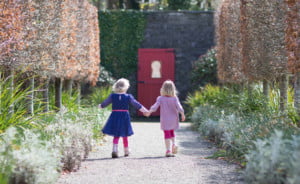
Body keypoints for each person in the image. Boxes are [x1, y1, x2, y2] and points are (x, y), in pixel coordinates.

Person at [99, 78, 148, 158]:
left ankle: (115, 149)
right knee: (125, 133)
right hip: (124, 115)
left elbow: (105, 103)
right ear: (126, 87)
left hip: (115, 115)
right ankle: (126, 150)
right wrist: (144, 110)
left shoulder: (112, 96)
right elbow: (136, 104)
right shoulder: (128, 96)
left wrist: (101, 106)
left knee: (116, 133)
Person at [145, 80, 185, 157]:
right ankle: (174, 144)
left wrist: (149, 111)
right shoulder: (175, 98)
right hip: (174, 119)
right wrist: (182, 114)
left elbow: (155, 106)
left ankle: (168, 150)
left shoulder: (160, 98)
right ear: (173, 89)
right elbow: (179, 107)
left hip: (165, 119)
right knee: (172, 132)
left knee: (167, 134)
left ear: (162, 89)